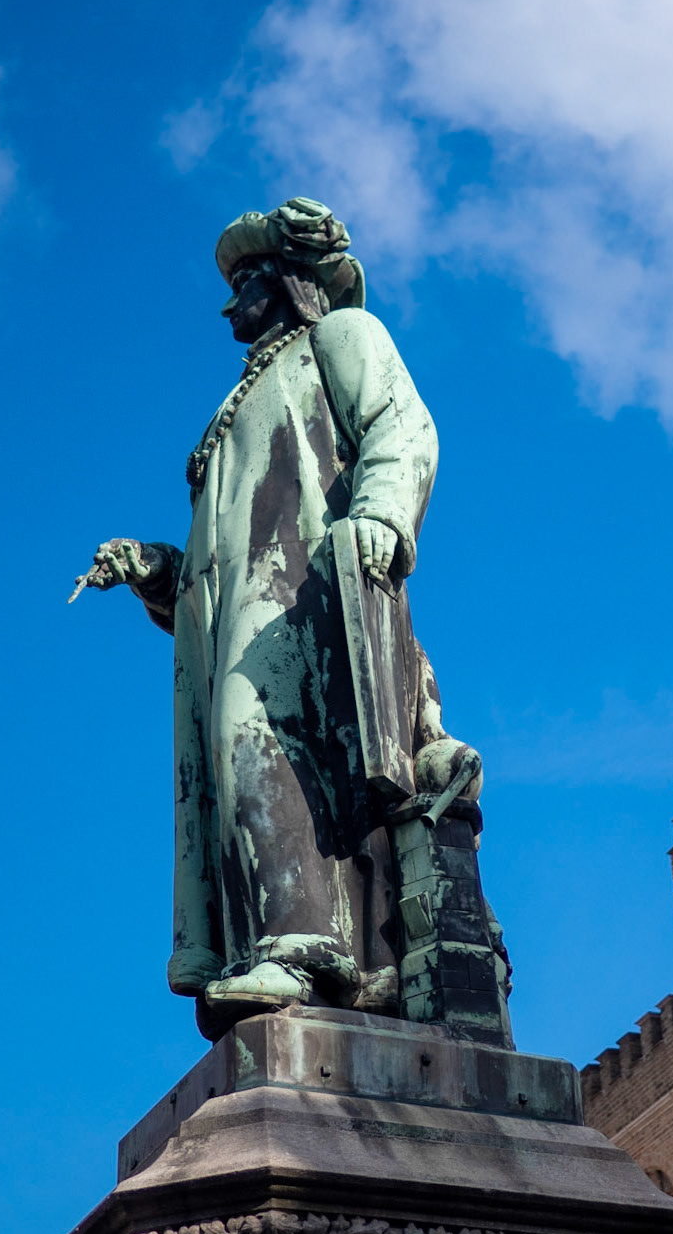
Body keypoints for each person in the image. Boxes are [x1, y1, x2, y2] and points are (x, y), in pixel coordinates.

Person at [76, 198, 444, 1036]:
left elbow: (403, 427)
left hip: (308, 594)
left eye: (243, 281)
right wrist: (159, 571)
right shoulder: (237, 399)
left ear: (286, 282)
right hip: (238, 617)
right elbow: (223, 553)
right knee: (231, 765)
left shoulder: (342, 337)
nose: (226, 304)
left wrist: (383, 517)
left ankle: (308, 946)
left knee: (255, 741)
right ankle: (276, 947)